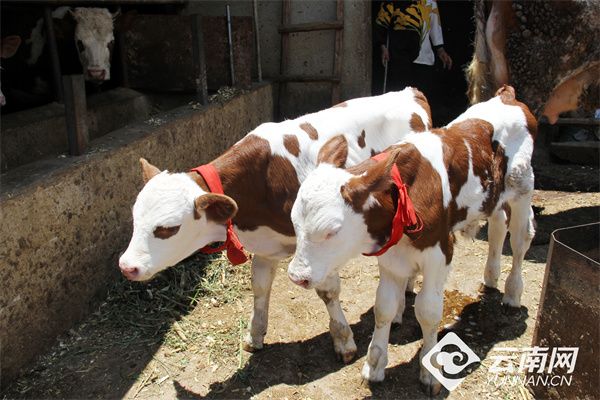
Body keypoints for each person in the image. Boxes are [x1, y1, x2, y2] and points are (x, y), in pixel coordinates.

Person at [373, 0, 452, 99]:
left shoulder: (430, 1)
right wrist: (383, 47)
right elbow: (382, 22)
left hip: (424, 56)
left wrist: (440, 49)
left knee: (421, 95)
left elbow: (435, 25)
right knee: (401, 93)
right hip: (399, 54)